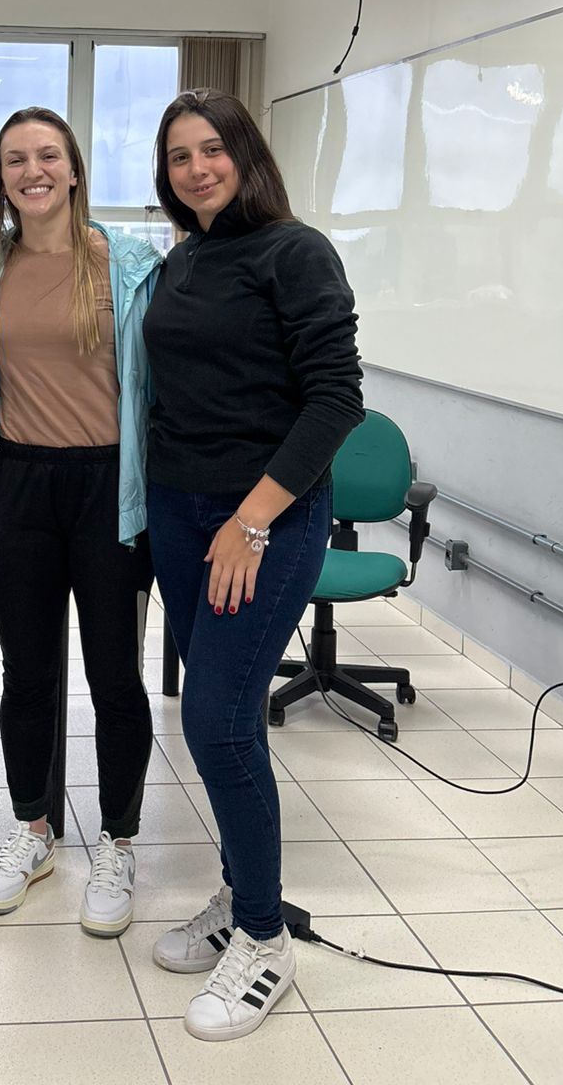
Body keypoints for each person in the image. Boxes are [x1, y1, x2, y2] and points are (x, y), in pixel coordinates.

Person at [143, 88, 363, 1041]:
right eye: (180, 155)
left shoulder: (295, 251)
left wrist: (251, 521)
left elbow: (335, 400)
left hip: (260, 518)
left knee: (219, 722)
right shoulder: (186, 259)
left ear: (246, 155)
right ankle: (239, 896)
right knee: (224, 716)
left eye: (213, 150)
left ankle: (265, 938)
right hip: (181, 514)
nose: (198, 168)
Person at [0, 107, 162, 938]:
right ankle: (34, 829)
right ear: (1, 177)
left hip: (109, 486)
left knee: (114, 675)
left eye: (48, 155)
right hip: (23, 483)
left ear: (75, 169)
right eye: (16, 159)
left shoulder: (128, 260)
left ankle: (117, 841)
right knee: (28, 672)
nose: (32, 170)